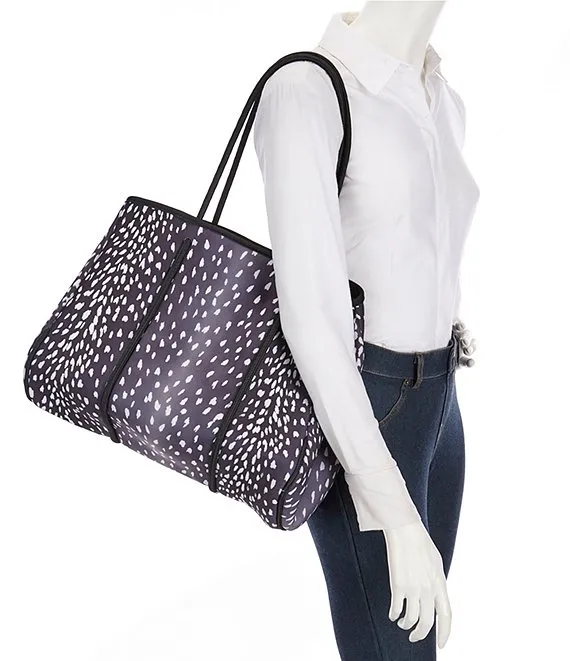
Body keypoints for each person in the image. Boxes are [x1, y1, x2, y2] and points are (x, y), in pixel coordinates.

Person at [253, 3, 480, 660]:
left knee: (414, 647)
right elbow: (311, 318)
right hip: (363, 407)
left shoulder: (440, 97)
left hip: (441, 407)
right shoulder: (308, 88)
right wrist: (392, 509)